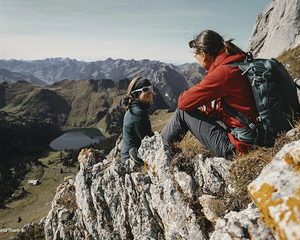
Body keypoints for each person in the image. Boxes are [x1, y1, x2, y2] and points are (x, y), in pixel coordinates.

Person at [161, 30, 260, 159]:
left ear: (203, 53)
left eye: (196, 53)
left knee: (182, 112)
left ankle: (158, 149)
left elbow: (183, 102)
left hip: (240, 147)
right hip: (257, 135)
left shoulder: (223, 72)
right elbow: (242, 106)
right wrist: (213, 111)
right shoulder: (239, 62)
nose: (195, 58)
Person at [117, 76, 154, 173]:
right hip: (132, 161)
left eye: (151, 88)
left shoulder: (134, 109)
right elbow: (149, 141)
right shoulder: (139, 113)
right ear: (136, 93)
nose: (150, 92)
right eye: (145, 89)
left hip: (128, 157)